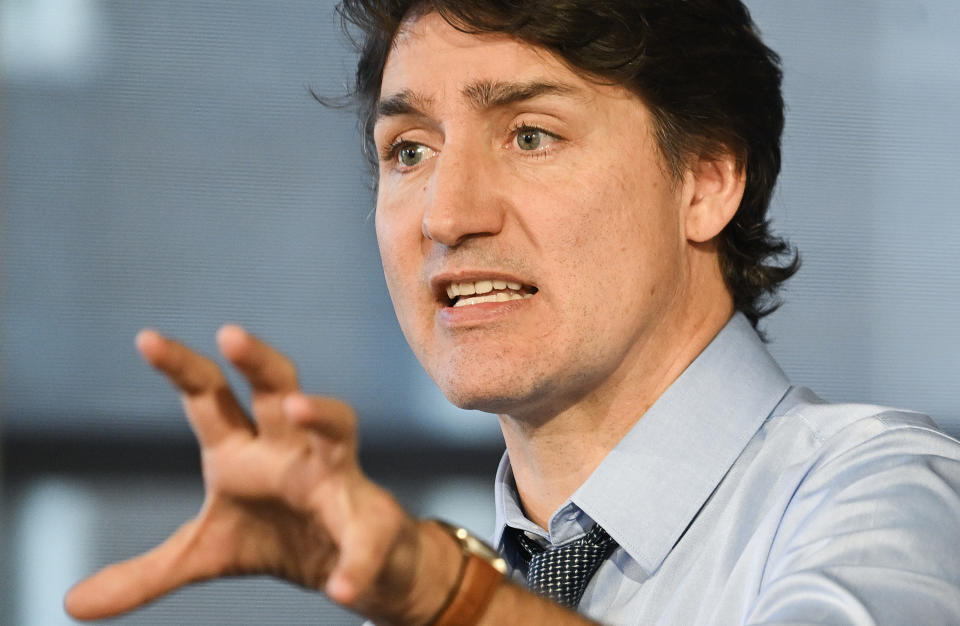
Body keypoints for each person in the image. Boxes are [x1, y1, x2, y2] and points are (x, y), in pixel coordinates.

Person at [65, 0, 960, 624]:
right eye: (408, 150)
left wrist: (448, 599)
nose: (447, 215)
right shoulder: (442, 593)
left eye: (531, 134)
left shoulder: (887, 498)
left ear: (707, 180)